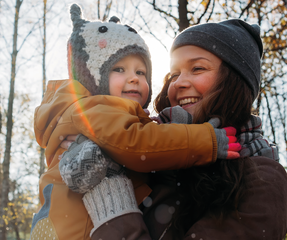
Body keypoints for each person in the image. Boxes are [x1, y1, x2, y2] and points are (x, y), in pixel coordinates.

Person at [31, 4, 240, 240]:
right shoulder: (94, 108)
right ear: (92, 78)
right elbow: (138, 143)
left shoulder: (98, 112)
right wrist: (205, 140)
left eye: (141, 72)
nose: (134, 78)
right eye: (119, 69)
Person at [76, 19, 287, 240]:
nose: (177, 84)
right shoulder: (147, 151)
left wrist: (113, 210)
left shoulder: (262, 178)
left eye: (197, 68)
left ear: (234, 81)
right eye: (174, 74)